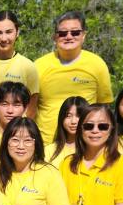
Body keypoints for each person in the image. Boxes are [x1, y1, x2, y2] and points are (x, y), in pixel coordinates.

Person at [35, 10, 113, 146]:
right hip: (46, 145)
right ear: (55, 37)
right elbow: (30, 108)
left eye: (75, 32)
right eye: (63, 33)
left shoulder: (97, 65)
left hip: (85, 146)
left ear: (83, 35)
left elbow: (103, 109)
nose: (69, 37)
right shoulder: (38, 66)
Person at [0, 11, 39, 117]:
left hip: (18, 130)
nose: (4, 39)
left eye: (9, 32)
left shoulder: (28, 67)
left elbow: (31, 110)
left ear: (17, 32)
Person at [0, 81, 30, 179]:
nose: (10, 111)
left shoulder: (31, 141)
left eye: (16, 105)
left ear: (25, 108)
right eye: (4, 104)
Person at [47, 96, 87, 169]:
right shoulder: (49, 151)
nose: (73, 121)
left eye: (78, 116)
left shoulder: (92, 150)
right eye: (68, 116)